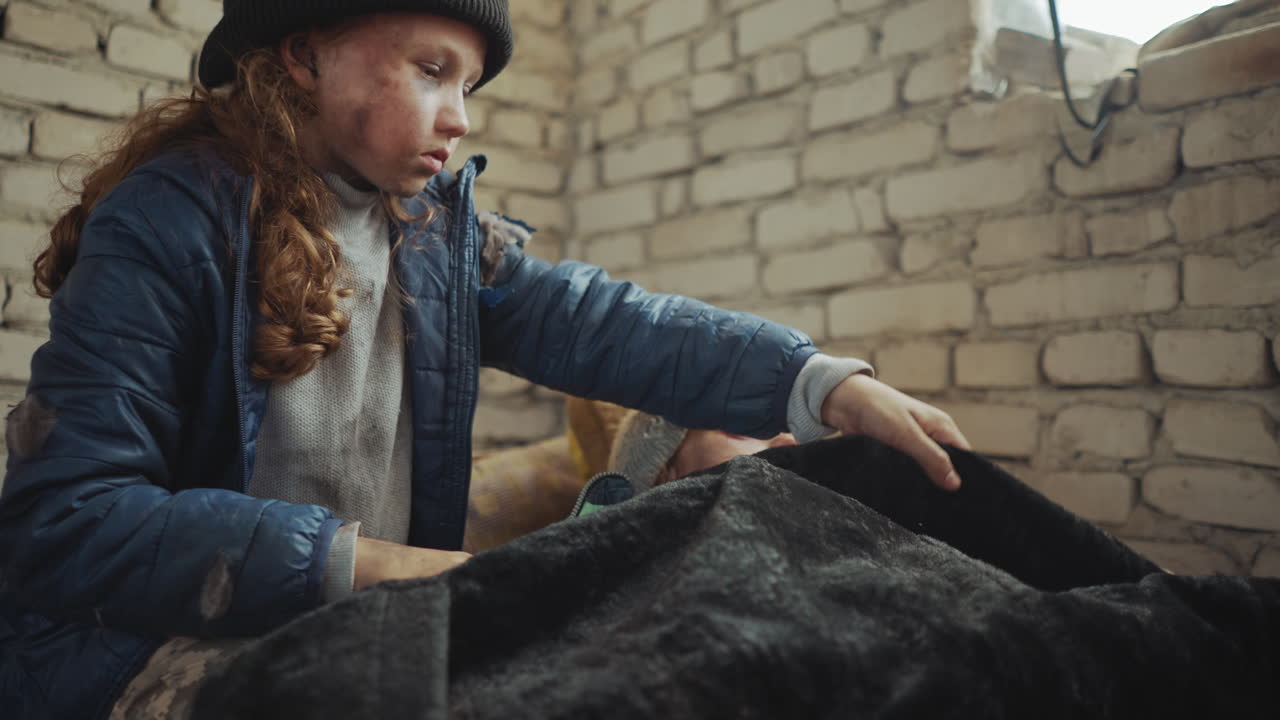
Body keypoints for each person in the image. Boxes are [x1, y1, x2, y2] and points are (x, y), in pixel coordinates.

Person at [0, 1, 971, 718]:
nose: (460, 118)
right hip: (138, 651)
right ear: (302, 53)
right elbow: (64, 522)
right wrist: (379, 564)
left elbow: (608, 324)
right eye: (431, 71)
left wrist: (821, 384)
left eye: (466, 86)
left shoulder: (434, 237)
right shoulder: (163, 221)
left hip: (359, 621)